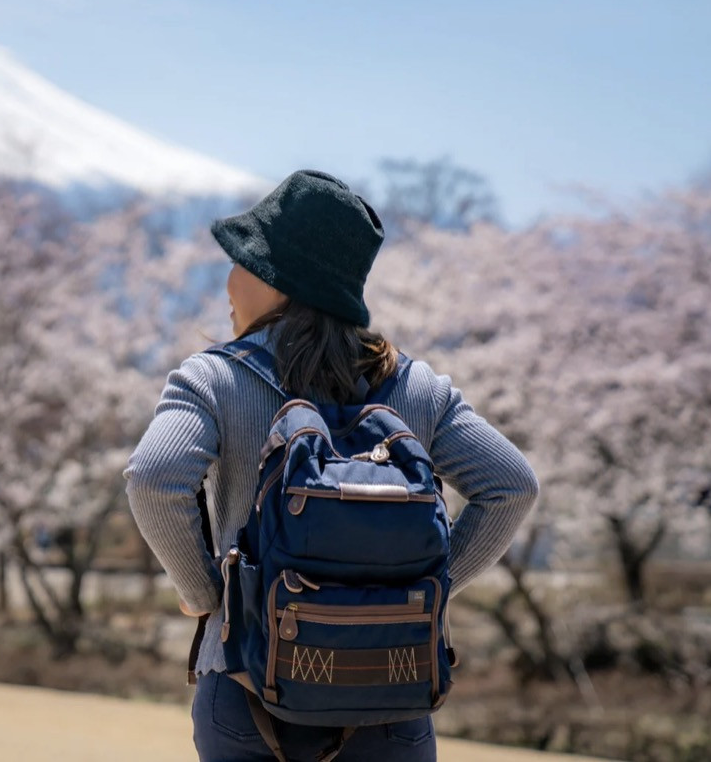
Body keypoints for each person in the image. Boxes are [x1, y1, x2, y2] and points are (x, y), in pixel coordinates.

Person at [124, 169, 539, 761]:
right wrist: (423, 589)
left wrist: (207, 593)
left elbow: (152, 476)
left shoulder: (214, 377)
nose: (228, 281)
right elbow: (512, 486)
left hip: (246, 692)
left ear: (279, 283)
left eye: (242, 263)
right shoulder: (417, 387)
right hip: (391, 691)